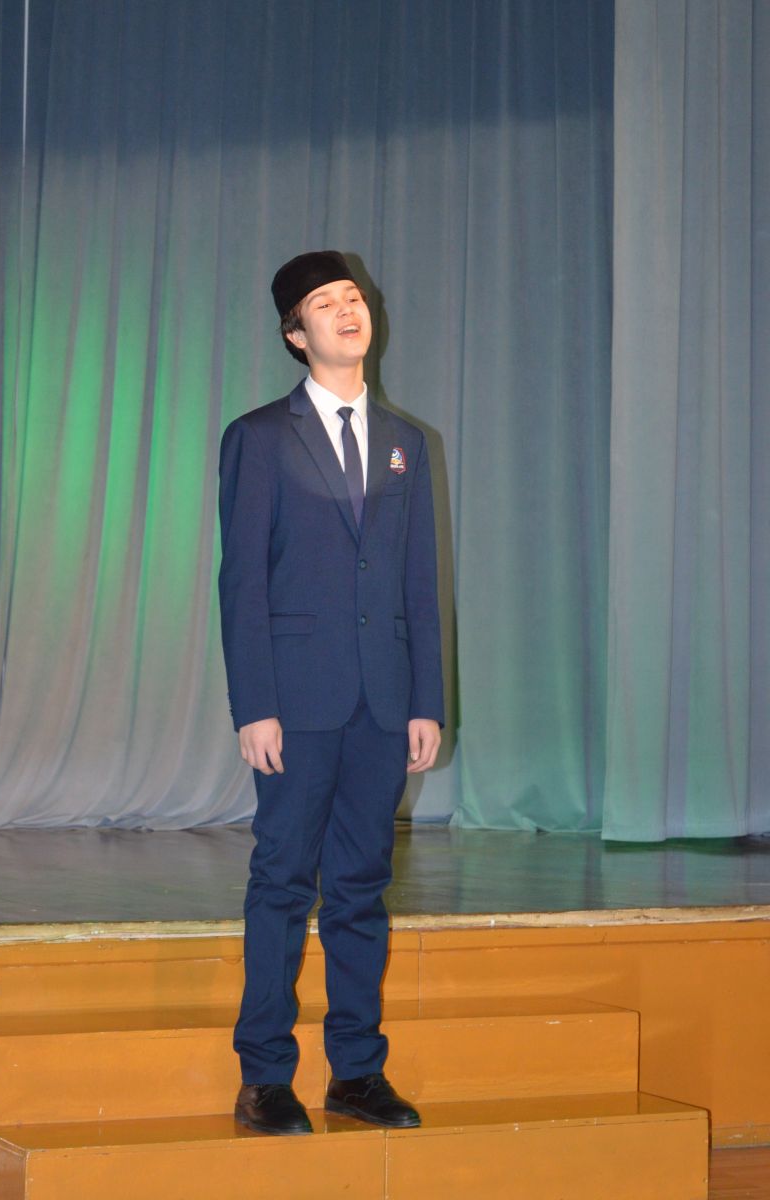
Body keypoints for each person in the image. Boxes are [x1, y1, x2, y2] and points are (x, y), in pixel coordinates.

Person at [218, 250, 444, 1136]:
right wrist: (254, 705)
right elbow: (244, 582)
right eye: (325, 302)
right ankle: (265, 1076)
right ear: (295, 333)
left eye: (354, 297)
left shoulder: (405, 442)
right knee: (282, 882)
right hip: (297, 702)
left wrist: (425, 699)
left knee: (359, 887)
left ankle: (357, 1071)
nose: (348, 310)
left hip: (383, 704)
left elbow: (419, 582)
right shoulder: (260, 438)